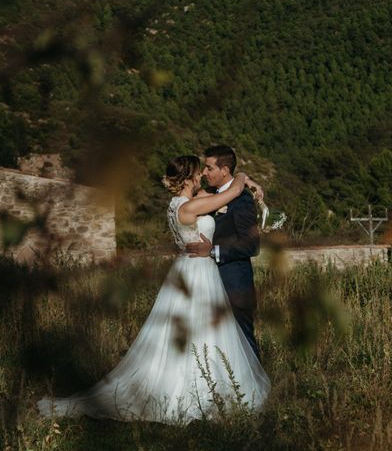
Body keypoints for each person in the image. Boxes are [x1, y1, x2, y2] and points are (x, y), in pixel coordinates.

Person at [37, 155, 270, 424]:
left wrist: (245, 180)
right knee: (198, 330)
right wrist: (245, 179)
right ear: (190, 177)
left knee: (200, 331)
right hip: (196, 273)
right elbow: (235, 190)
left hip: (190, 270)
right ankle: (193, 389)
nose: (203, 176)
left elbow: (224, 191)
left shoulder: (179, 205)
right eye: (199, 172)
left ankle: (209, 380)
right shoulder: (189, 208)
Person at [186, 145, 262, 360]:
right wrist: (245, 178)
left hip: (234, 282)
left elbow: (252, 244)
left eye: (209, 168)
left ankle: (256, 390)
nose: (204, 173)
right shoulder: (210, 195)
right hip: (207, 282)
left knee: (243, 341)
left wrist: (213, 251)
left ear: (224, 170)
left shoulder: (243, 200)